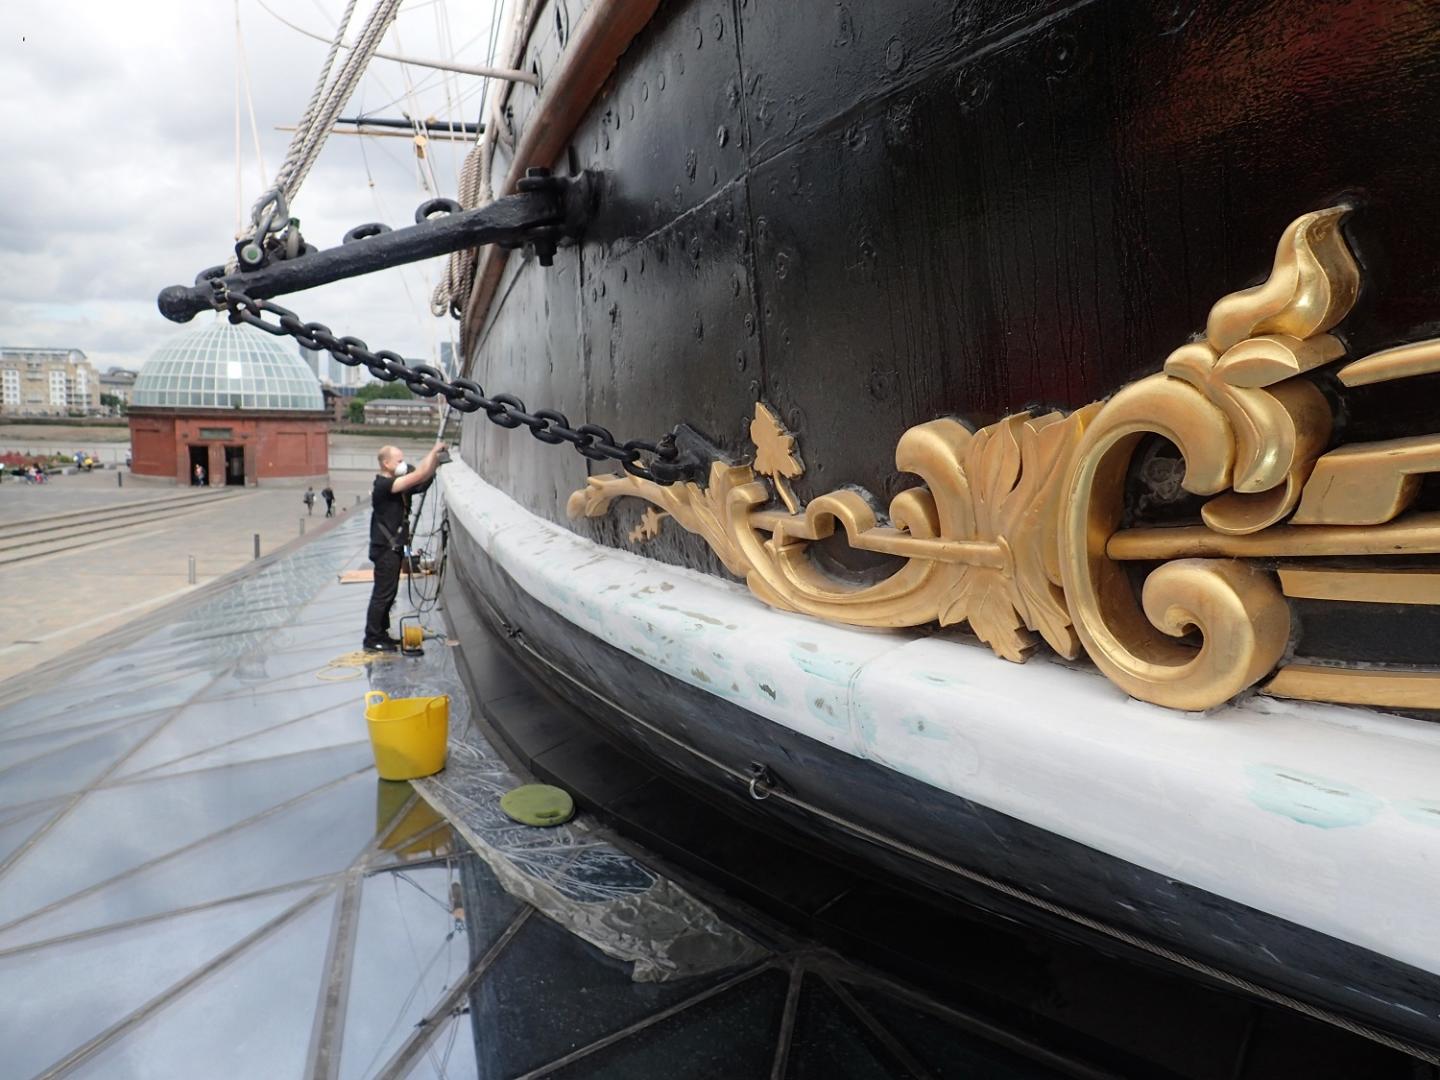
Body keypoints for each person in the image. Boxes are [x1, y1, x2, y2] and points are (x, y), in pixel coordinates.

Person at [364, 441, 446, 651]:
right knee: (382, 594)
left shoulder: (397, 485)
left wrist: (435, 464)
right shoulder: (383, 485)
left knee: (389, 594)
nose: (403, 463)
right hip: (385, 550)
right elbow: (417, 476)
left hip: (395, 548)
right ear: (386, 463)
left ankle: (382, 633)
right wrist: (433, 451)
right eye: (399, 460)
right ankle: (372, 638)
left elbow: (421, 480)